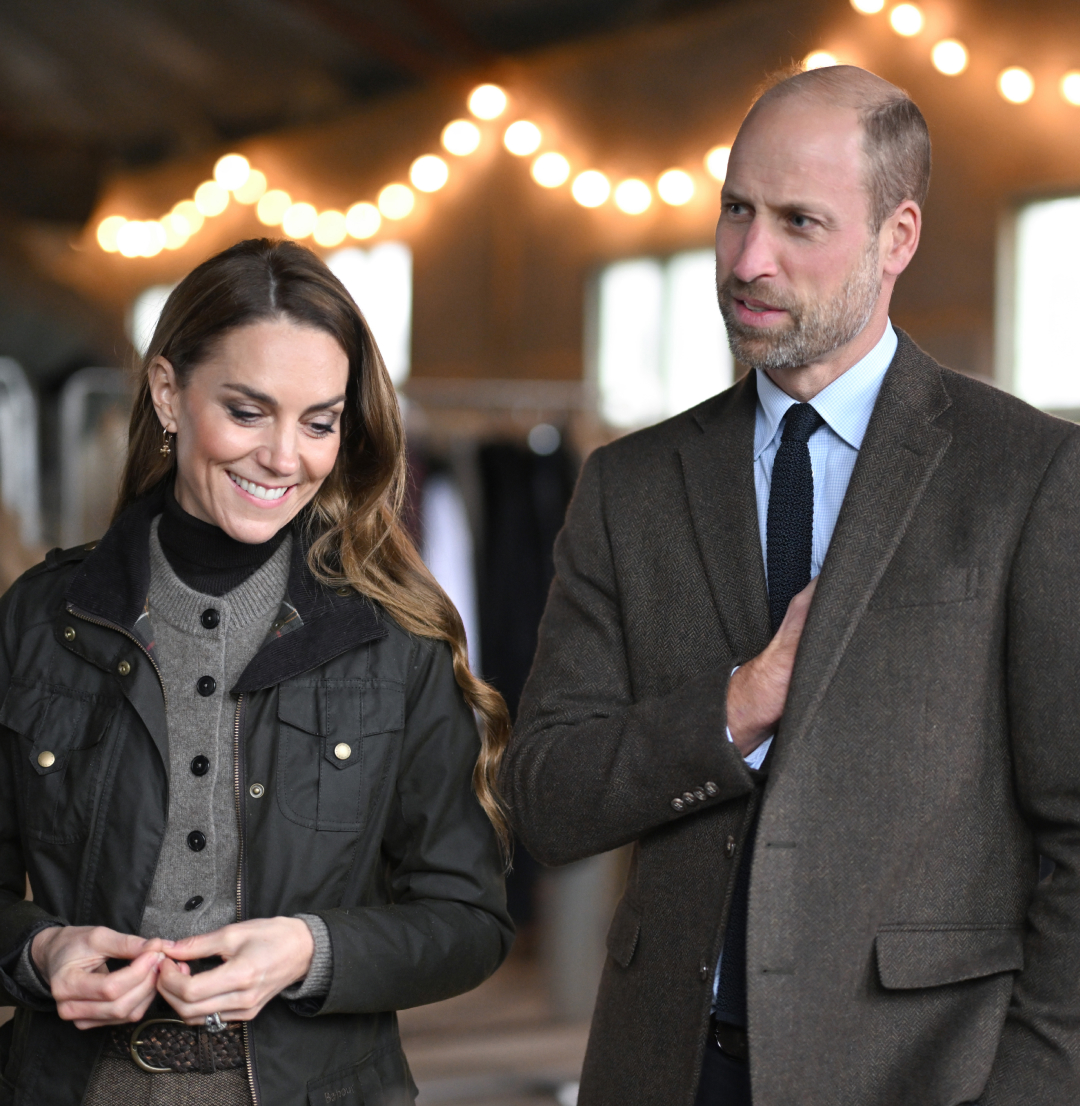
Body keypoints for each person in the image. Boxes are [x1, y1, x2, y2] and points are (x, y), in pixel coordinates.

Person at [502, 64, 1080, 1106]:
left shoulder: (1027, 475)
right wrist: (735, 705)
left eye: (799, 222)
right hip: (663, 1067)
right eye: (735, 210)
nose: (748, 258)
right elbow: (545, 794)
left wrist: (1030, 1085)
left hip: (922, 1075)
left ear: (896, 237)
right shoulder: (628, 485)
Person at [0, 238, 513, 1106]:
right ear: (168, 393)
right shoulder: (39, 618)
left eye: (319, 421)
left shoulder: (398, 639)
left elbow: (470, 922)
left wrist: (314, 951)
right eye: (247, 412)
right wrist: (38, 953)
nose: (285, 458)